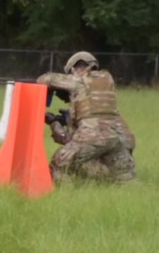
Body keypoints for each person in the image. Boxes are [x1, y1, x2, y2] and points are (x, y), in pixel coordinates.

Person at [38, 51, 136, 183]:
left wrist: (54, 123)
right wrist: (67, 119)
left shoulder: (79, 79)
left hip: (93, 139)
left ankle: (65, 197)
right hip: (115, 139)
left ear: (74, 68)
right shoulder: (108, 79)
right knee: (126, 180)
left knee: (59, 163)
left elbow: (45, 79)